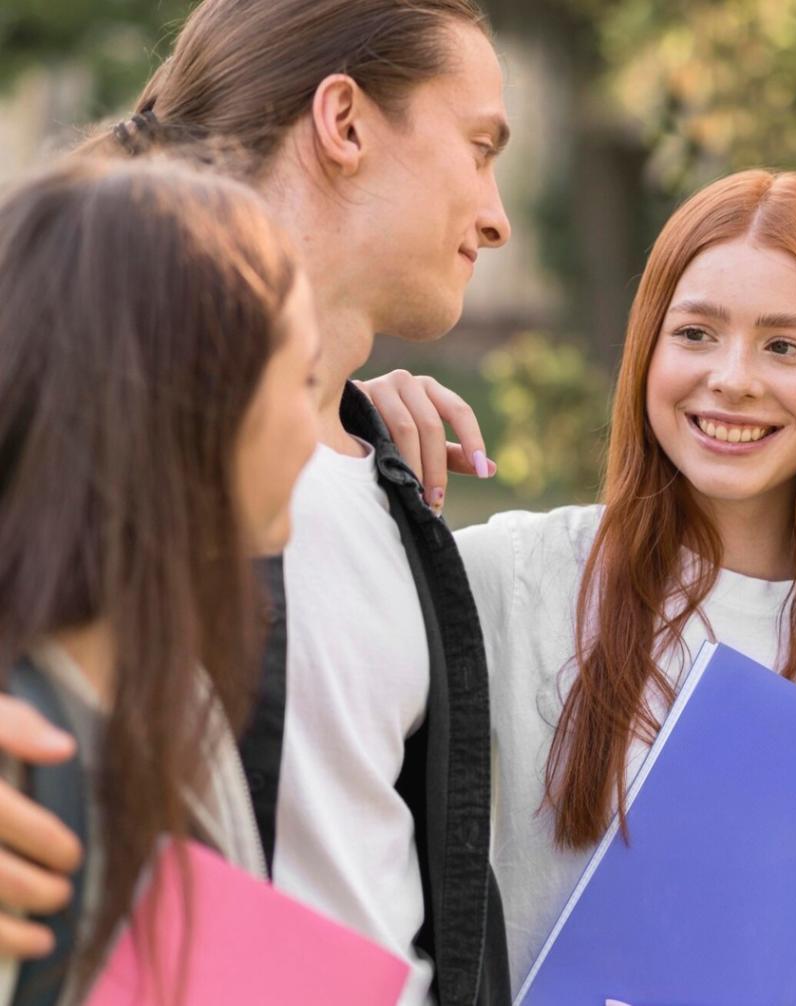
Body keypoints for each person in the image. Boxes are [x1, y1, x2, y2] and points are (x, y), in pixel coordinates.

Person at [367, 169, 796, 1004]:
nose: (734, 378)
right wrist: (343, 425)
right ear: (648, 348)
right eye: (697, 334)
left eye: (785, 346)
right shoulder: (514, 576)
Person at [0, 1, 515, 1001]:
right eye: (479, 147)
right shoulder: (85, 423)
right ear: (345, 122)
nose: (496, 214)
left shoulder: (393, 484)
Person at [0, 155, 319, 1001]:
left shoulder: (176, 699)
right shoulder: (24, 771)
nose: (316, 433)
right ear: (202, 406)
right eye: (307, 378)